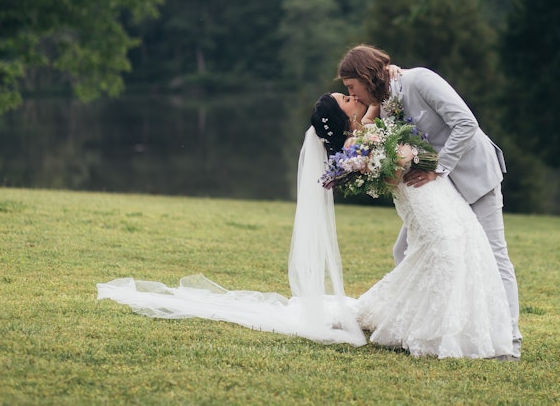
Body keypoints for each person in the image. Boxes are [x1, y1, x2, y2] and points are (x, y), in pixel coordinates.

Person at [96, 92, 513, 359]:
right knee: (438, 248)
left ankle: (455, 322)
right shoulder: (361, 143)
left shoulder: (371, 121)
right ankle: (450, 326)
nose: (354, 98)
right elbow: (381, 151)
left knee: (433, 250)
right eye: (347, 98)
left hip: (433, 191)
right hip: (425, 193)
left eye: (351, 92)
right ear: (345, 114)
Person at [338, 44, 522, 359]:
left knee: (494, 253)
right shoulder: (386, 99)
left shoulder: (420, 80)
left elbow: (466, 123)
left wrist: (438, 168)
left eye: (353, 88)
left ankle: (510, 339)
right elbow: (372, 127)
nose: (353, 96)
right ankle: (417, 324)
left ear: (367, 76)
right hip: (441, 191)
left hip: (473, 175)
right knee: (403, 250)